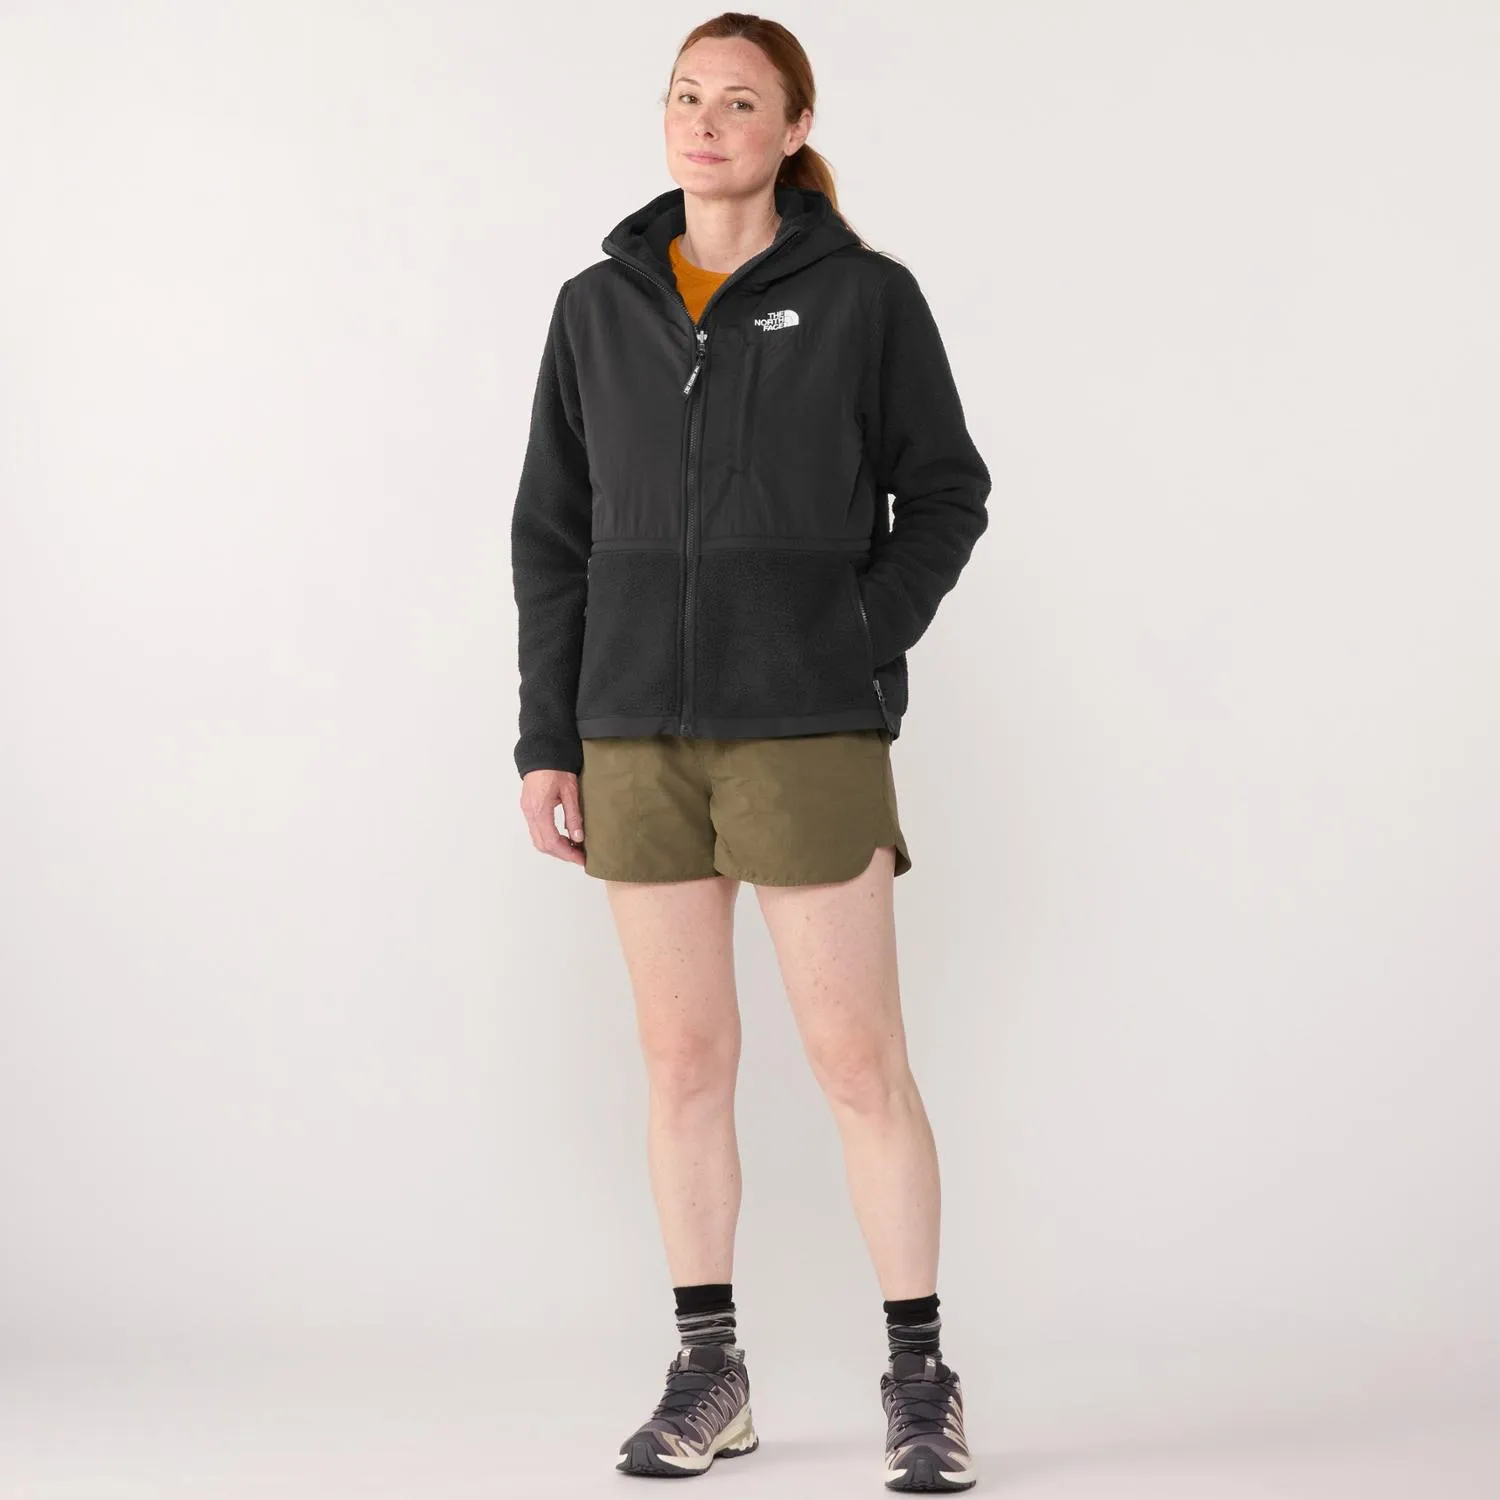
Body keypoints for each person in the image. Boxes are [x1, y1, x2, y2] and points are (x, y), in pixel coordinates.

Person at [510, 13, 990, 1492]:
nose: (704, 122)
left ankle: (920, 1379)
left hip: (806, 725)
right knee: (682, 1063)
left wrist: (853, 634)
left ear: (793, 129)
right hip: (631, 729)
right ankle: (708, 1373)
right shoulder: (597, 307)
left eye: (737, 101)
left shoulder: (866, 298)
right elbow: (553, 538)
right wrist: (548, 735)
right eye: (685, 96)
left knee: (858, 1064)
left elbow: (947, 491)